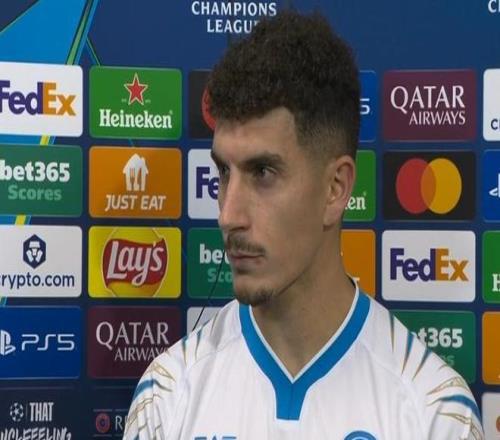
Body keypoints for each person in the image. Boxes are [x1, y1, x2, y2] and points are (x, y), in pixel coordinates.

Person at [124, 11, 483, 440]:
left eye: (262, 173)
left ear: (335, 189)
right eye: (223, 173)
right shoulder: (167, 396)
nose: (228, 215)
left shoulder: (434, 412)